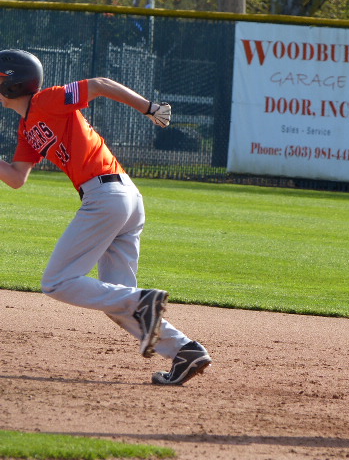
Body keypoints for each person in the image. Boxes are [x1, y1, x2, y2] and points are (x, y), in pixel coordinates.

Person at [0, 49, 212, 386]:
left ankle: (142, 299)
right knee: (118, 300)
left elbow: (99, 84)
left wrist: (149, 107)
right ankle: (185, 350)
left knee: (57, 282)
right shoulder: (27, 128)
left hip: (106, 196)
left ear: (12, 83)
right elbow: (15, 177)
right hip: (121, 197)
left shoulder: (45, 100)